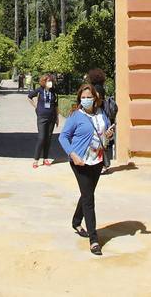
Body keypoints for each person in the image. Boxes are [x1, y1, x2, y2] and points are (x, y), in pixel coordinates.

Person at [58, 83, 113, 255]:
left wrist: (108, 135)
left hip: (96, 160)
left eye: (89, 97)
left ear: (95, 98)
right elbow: (63, 137)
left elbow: (105, 131)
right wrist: (72, 154)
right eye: (83, 97)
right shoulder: (76, 115)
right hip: (80, 161)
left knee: (87, 193)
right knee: (89, 198)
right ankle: (94, 240)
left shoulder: (101, 114)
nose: (86, 100)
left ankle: (76, 220)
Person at [86, 68, 118, 172]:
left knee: (101, 140)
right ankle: (104, 164)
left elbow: (98, 101)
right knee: (104, 140)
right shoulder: (101, 87)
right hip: (105, 115)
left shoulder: (96, 88)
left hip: (101, 114)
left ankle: (103, 165)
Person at [28, 73, 60, 167]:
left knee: (48, 138)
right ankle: (36, 160)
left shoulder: (54, 91)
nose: (50, 83)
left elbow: (56, 105)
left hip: (52, 117)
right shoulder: (39, 90)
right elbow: (29, 97)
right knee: (41, 138)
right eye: (48, 81)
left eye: (51, 81)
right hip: (42, 117)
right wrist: (36, 106)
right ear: (44, 81)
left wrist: (57, 118)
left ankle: (45, 158)